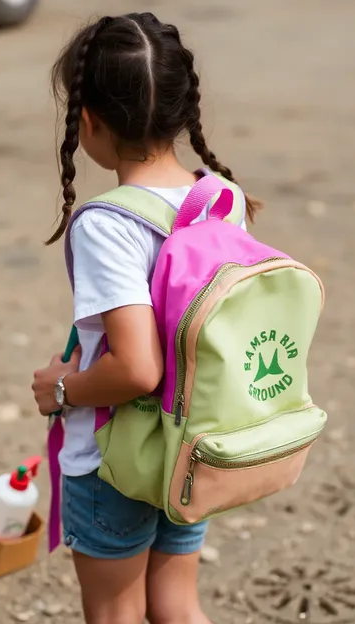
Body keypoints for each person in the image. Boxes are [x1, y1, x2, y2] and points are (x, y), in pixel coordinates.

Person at [32, 12, 259, 624]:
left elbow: (136, 368)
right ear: (182, 111)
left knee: (116, 614)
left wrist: (59, 388)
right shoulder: (221, 196)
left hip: (116, 463)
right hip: (193, 446)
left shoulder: (108, 224)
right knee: (178, 606)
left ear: (88, 121)